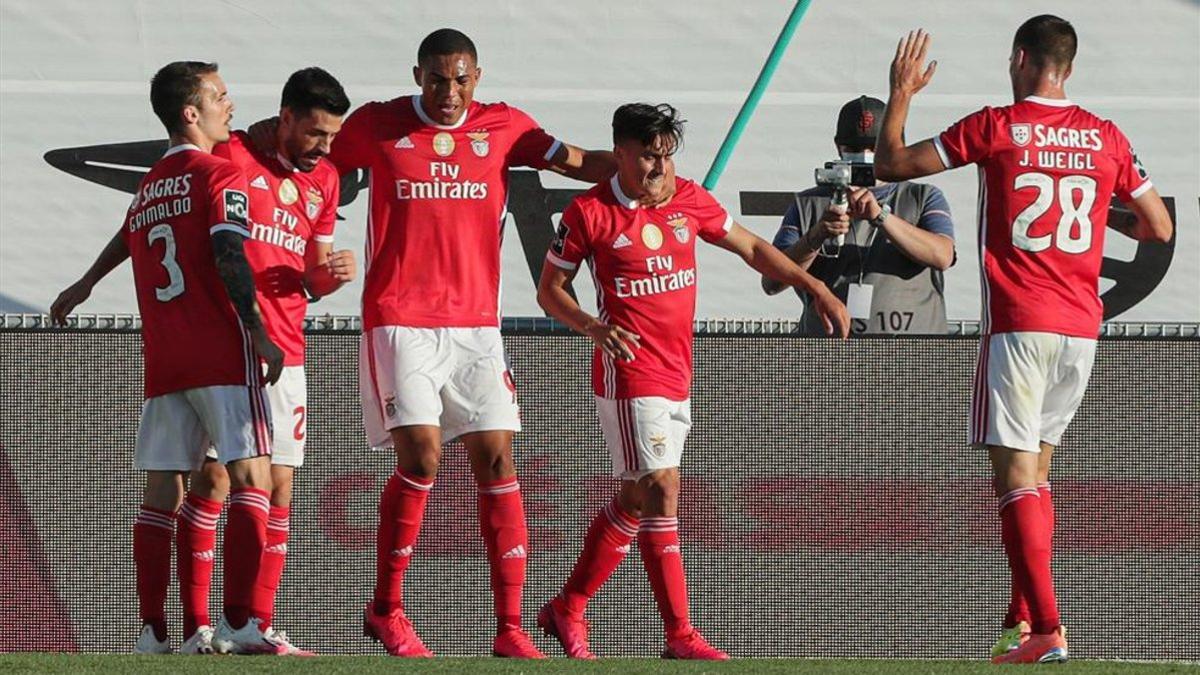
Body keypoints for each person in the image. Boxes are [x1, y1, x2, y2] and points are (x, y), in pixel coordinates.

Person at [319, 28, 642, 658]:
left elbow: (576, 162)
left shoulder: (506, 128)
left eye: (461, 78)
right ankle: (386, 609)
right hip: (399, 320)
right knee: (422, 460)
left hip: (476, 327)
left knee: (498, 463)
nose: (449, 91)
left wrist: (640, 170)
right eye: (437, 79)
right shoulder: (376, 126)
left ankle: (511, 629)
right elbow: (316, 160)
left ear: (478, 76)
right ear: (417, 76)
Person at [874, 17, 1173, 664]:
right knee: (1036, 474)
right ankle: (1020, 616)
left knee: (1013, 479)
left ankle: (1048, 628)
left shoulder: (997, 126)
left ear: (1020, 58)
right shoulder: (1105, 136)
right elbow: (1158, 225)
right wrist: (1099, 204)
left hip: (1020, 321)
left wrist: (900, 93)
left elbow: (891, 163)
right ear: (1069, 65)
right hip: (1081, 330)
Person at [535, 102, 850, 660]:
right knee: (662, 488)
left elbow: (752, 247)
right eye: (648, 158)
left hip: (679, 371)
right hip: (629, 369)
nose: (659, 169)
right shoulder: (589, 213)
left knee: (636, 496)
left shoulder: (687, 198)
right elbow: (550, 289)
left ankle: (568, 606)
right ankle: (679, 633)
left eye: (666, 157)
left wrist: (815, 287)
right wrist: (592, 326)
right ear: (621, 154)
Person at [49, 61, 286, 654]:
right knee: (253, 476)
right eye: (220, 96)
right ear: (191, 112)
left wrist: (84, 283)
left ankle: (152, 632)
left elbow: (131, 232)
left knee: (163, 492)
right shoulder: (219, 176)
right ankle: (242, 624)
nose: (229, 105)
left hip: (165, 359)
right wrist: (256, 328)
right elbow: (230, 252)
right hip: (218, 351)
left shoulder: (153, 183)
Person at [176, 67, 356, 656]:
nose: (325, 147)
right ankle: (200, 629)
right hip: (228, 344)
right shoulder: (231, 151)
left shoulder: (325, 180)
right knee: (213, 479)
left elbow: (311, 271)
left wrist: (324, 280)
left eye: (332, 136)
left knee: (280, 487)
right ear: (285, 118)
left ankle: (255, 622)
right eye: (315, 133)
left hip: (288, 349)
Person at [762, 96, 955, 335]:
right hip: (829, 355)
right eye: (853, 148)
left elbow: (942, 255)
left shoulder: (922, 197)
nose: (864, 155)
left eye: (874, 148)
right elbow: (771, 281)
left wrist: (881, 217)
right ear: (838, 147)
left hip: (913, 355)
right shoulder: (808, 203)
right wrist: (816, 235)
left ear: (895, 143)